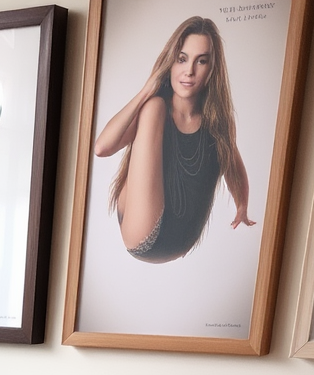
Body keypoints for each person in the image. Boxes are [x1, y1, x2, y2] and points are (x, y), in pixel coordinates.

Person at [94, 16, 253, 264]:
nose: (189, 71)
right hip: (146, 235)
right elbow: (102, 147)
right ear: (170, 62)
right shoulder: (154, 111)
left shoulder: (220, 123)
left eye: (201, 61)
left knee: (220, 132)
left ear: (213, 68)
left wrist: (242, 204)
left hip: (181, 241)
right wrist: (148, 90)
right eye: (181, 59)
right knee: (154, 107)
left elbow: (233, 165)